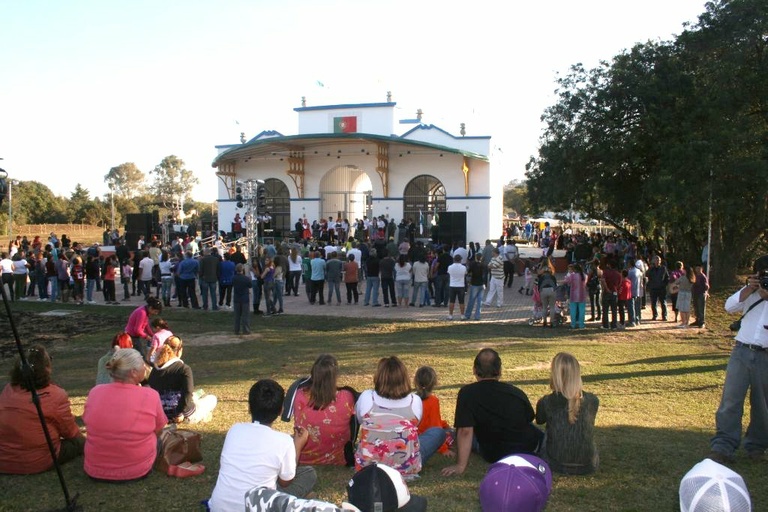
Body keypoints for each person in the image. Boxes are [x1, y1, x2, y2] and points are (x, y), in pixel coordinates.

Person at [208, 379, 317, 511]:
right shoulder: (284, 442)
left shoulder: (234, 429)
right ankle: (297, 501)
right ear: (281, 410)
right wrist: (297, 446)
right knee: (309, 473)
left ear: (249, 407)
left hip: (218, 507)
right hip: (258, 507)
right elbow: (285, 481)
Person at [442, 348, 543, 477]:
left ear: (474, 370)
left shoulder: (467, 393)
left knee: (458, 434)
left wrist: (461, 465)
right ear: (499, 371)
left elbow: (465, 431)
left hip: (495, 452)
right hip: (525, 446)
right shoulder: (515, 392)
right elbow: (528, 418)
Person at [709, 255, 768, 464]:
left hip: (766, 355)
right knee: (730, 400)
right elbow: (729, 307)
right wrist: (749, 289)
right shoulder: (751, 291)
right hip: (742, 350)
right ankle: (723, 446)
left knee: (763, 405)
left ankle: (757, 447)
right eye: (762, 275)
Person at [83, 348, 166, 481]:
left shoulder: (95, 392)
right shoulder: (150, 395)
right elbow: (159, 429)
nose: (145, 367)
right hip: (136, 470)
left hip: (95, 469)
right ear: (133, 372)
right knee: (161, 439)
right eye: (142, 364)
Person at [355, 356, 446, 479]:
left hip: (369, 467)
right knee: (437, 432)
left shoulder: (366, 397)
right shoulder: (415, 401)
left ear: (378, 377)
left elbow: (361, 421)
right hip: (405, 466)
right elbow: (416, 424)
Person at [0, 345, 85, 474]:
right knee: (80, 442)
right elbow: (70, 432)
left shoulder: (8, 390)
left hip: (5, 459)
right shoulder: (55, 395)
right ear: (46, 368)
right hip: (37, 461)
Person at [535, 352, 599, 474]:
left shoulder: (546, 401)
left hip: (555, 464)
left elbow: (539, 420)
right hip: (587, 466)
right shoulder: (592, 400)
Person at [293, 354, 356, 465]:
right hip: (338, 459)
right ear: (335, 376)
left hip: (304, 458)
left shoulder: (300, 396)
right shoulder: (347, 397)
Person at [148, 336, 217, 424]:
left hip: (160, 414)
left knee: (195, 396)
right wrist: (179, 413)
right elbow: (188, 392)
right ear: (179, 350)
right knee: (212, 398)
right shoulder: (183, 369)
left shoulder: (155, 369)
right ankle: (204, 415)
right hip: (182, 415)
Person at [414, 366, 454, 456]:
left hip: (414, 437)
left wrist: (443, 423)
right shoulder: (433, 401)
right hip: (426, 438)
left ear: (416, 382)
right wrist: (444, 449)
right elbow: (435, 426)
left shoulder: (412, 399)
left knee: (446, 428)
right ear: (434, 383)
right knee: (451, 432)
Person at [564, 263, 587, 329]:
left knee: (573, 310)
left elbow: (566, 281)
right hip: (582, 295)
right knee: (582, 310)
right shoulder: (584, 276)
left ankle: (573, 324)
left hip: (573, 295)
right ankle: (581, 324)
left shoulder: (572, 276)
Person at [464, 253, 486, 321]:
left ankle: (467, 315)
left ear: (476, 257)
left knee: (471, 300)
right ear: (481, 258)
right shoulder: (484, 265)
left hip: (474, 283)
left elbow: (468, 272)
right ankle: (477, 316)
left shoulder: (472, 264)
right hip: (481, 284)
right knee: (479, 301)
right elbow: (485, 276)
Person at [446, 254, 467, 321]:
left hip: (452, 285)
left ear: (454, 259)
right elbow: (465, 274)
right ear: (460, 260)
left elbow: (449, 274)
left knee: (452, 301)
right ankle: (462, 315)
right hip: (461, 285)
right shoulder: (463, 267)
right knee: (461, 302)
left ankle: (450, 315)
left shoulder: (450, 267)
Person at [232, 263, 252, 335]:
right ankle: (246, 330)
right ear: (242, 270)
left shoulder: (234, 278)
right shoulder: (246, 279)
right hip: (245, 298)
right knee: (245, 315)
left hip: (236, 298)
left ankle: (236, 330)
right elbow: (250, 285)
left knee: (237, 316)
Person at [537, 264, 558, 328]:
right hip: (552, 290)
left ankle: (544, 321)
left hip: (543, 290)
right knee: (552, 307)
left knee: (544, 307)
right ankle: (552, 321)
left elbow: (538, 285)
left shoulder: (541, 277)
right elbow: (555, 284)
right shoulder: (552, 277)